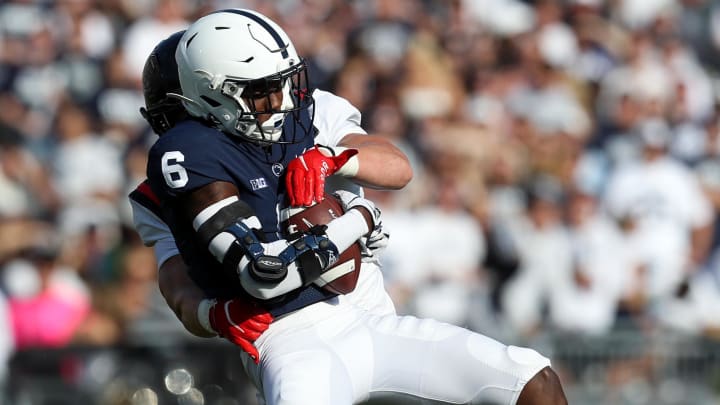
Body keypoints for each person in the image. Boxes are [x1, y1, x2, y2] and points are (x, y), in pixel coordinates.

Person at [132, 9, 567, 405]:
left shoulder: (309, 113)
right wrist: (215, 313)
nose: (281, 102)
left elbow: (398, 167)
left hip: (367, 309)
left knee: (532, 378)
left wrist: (338, 157)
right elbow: (180, 284)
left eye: (277, 86)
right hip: (288, 339)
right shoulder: (180, 171)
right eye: (262, 91)